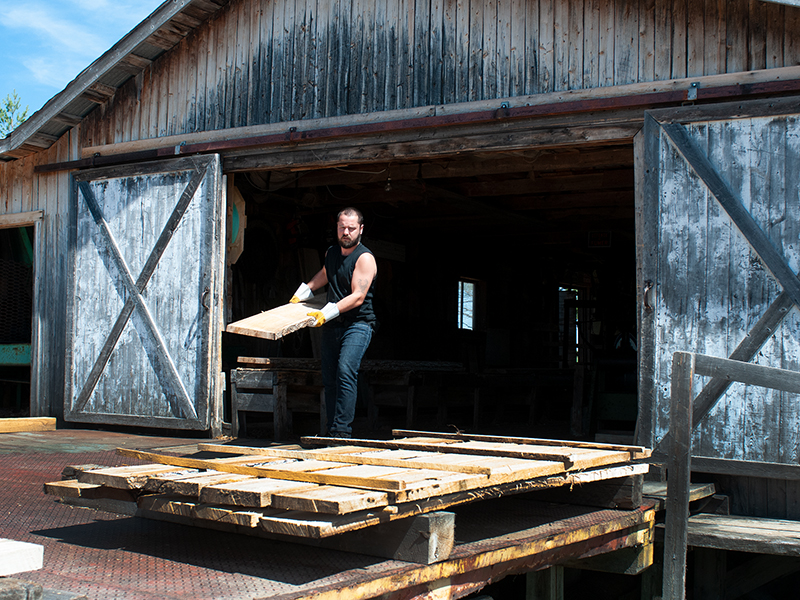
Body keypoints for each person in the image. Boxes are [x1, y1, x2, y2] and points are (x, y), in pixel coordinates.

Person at [290, 207, 377, 438]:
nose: (346, 232)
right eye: (342, 227)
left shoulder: (365, 258)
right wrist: (306, 289)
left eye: (350, 228)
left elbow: (358, 296)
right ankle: (330, 430)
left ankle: (341, 432)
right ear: (336, 228)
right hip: (332, 323)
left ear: (360, 229)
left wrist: (330, 311)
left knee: (345, 370)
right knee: (329, 377)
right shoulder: (332, 253)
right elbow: (326, 273)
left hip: (358, 324)